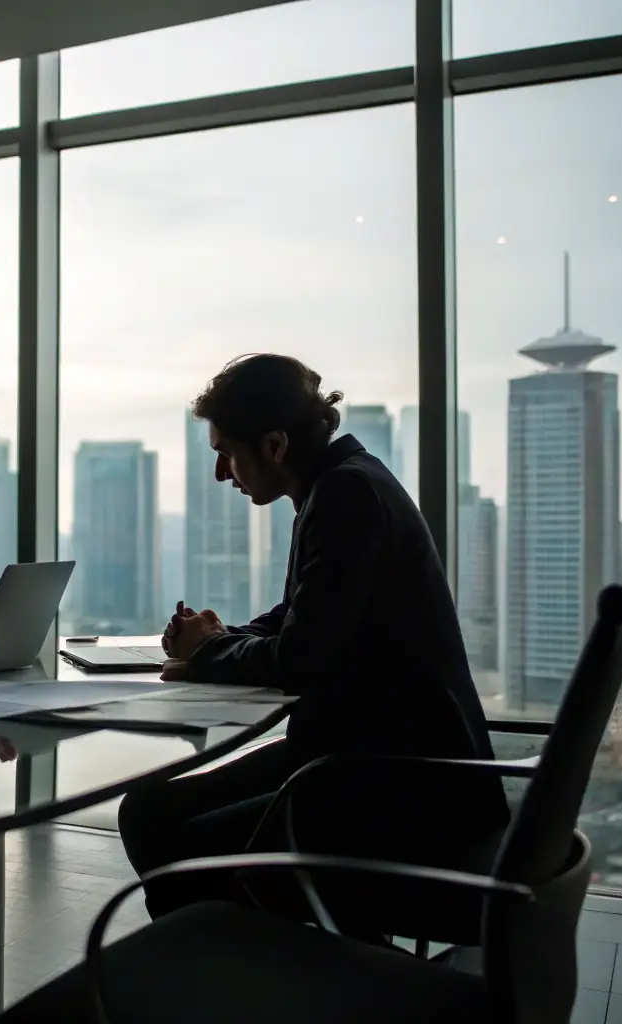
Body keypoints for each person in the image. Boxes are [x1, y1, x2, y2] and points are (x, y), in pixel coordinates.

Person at [119, 354, 509, 923]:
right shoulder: (345, 482)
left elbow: (301, 660)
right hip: (370, 761)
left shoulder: (345, 497)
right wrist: (224, 636)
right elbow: (304, 617)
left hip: (399, 788)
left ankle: (242, 965)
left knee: (175, 841)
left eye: (227, 453)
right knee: (148, 811)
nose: (221, 474)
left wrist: (208, 651)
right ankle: (227, 957)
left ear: (274, 445)